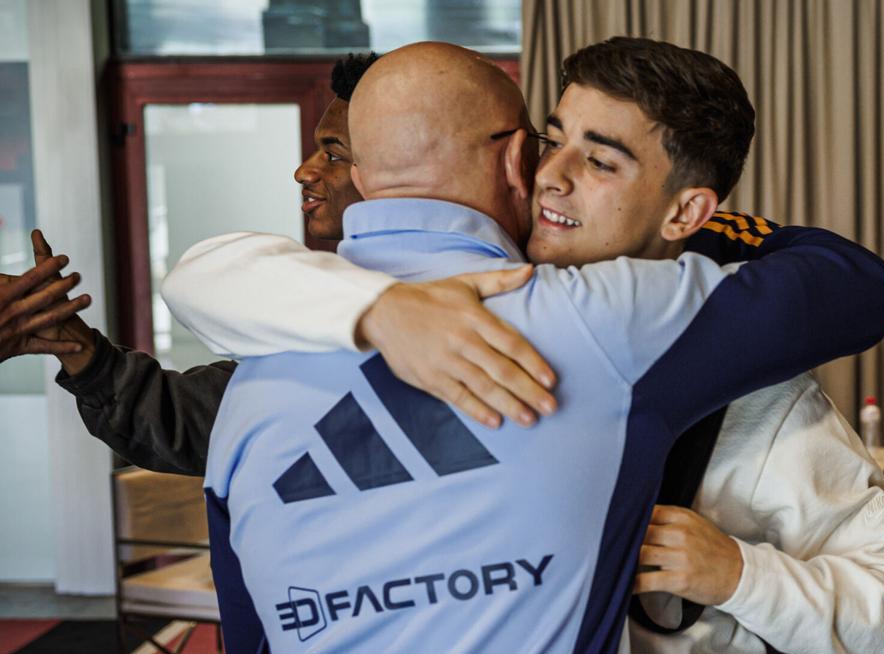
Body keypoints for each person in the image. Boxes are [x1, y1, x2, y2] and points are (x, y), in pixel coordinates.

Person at [167, 38, 884, 654]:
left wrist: (740, 574)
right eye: (551, 138)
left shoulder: (759, 393)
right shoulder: (394, 323)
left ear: (687, 210)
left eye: (600, 160)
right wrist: (379, 310)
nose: (550, 175)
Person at [0, 53, 559, 479]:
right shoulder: (308, 309)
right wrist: (84, 355)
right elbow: (188, 419)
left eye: (336, 153)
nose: (304, 171)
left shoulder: (559, 300)